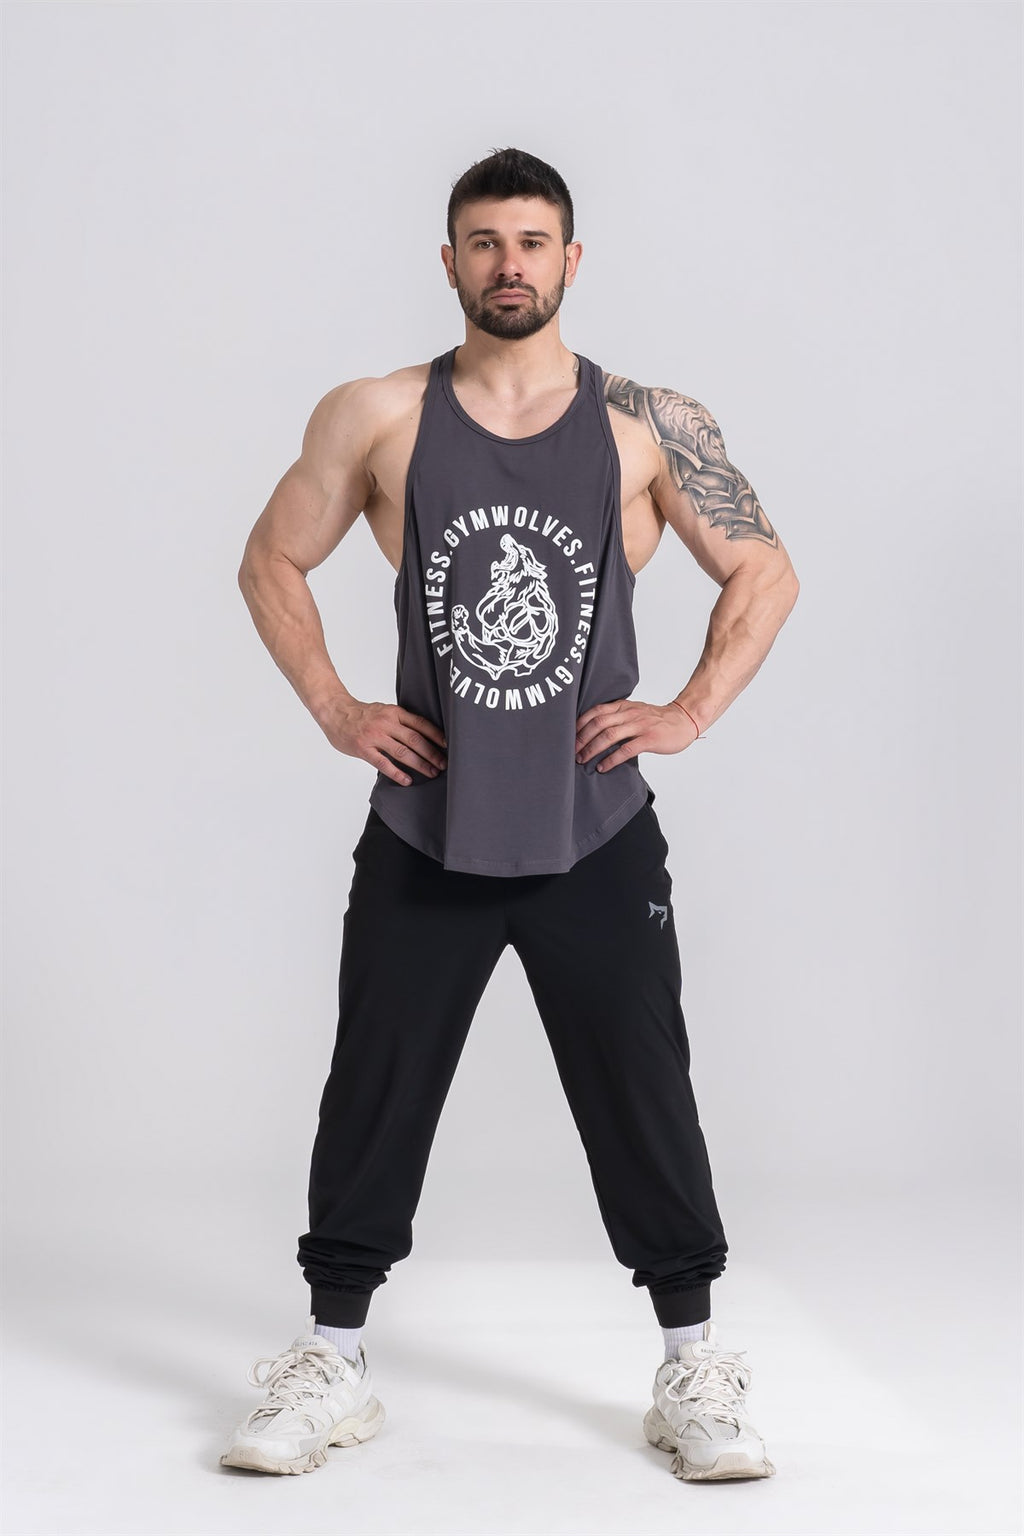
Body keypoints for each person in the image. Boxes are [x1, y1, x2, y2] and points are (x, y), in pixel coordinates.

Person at [220, 146, 799, 1483]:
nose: (510, 264)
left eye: (533, 241)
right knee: (375, 1087)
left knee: (643, 1090)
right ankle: (331, 1360)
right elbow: (270, 559)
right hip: (427, 825)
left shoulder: (648, 423)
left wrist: (689, 712)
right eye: (485, 242)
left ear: (571, 261)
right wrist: (337, 711)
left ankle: (692, 1367)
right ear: (450, 262)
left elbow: (763, 570)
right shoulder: (378, 414)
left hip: (593, 829)